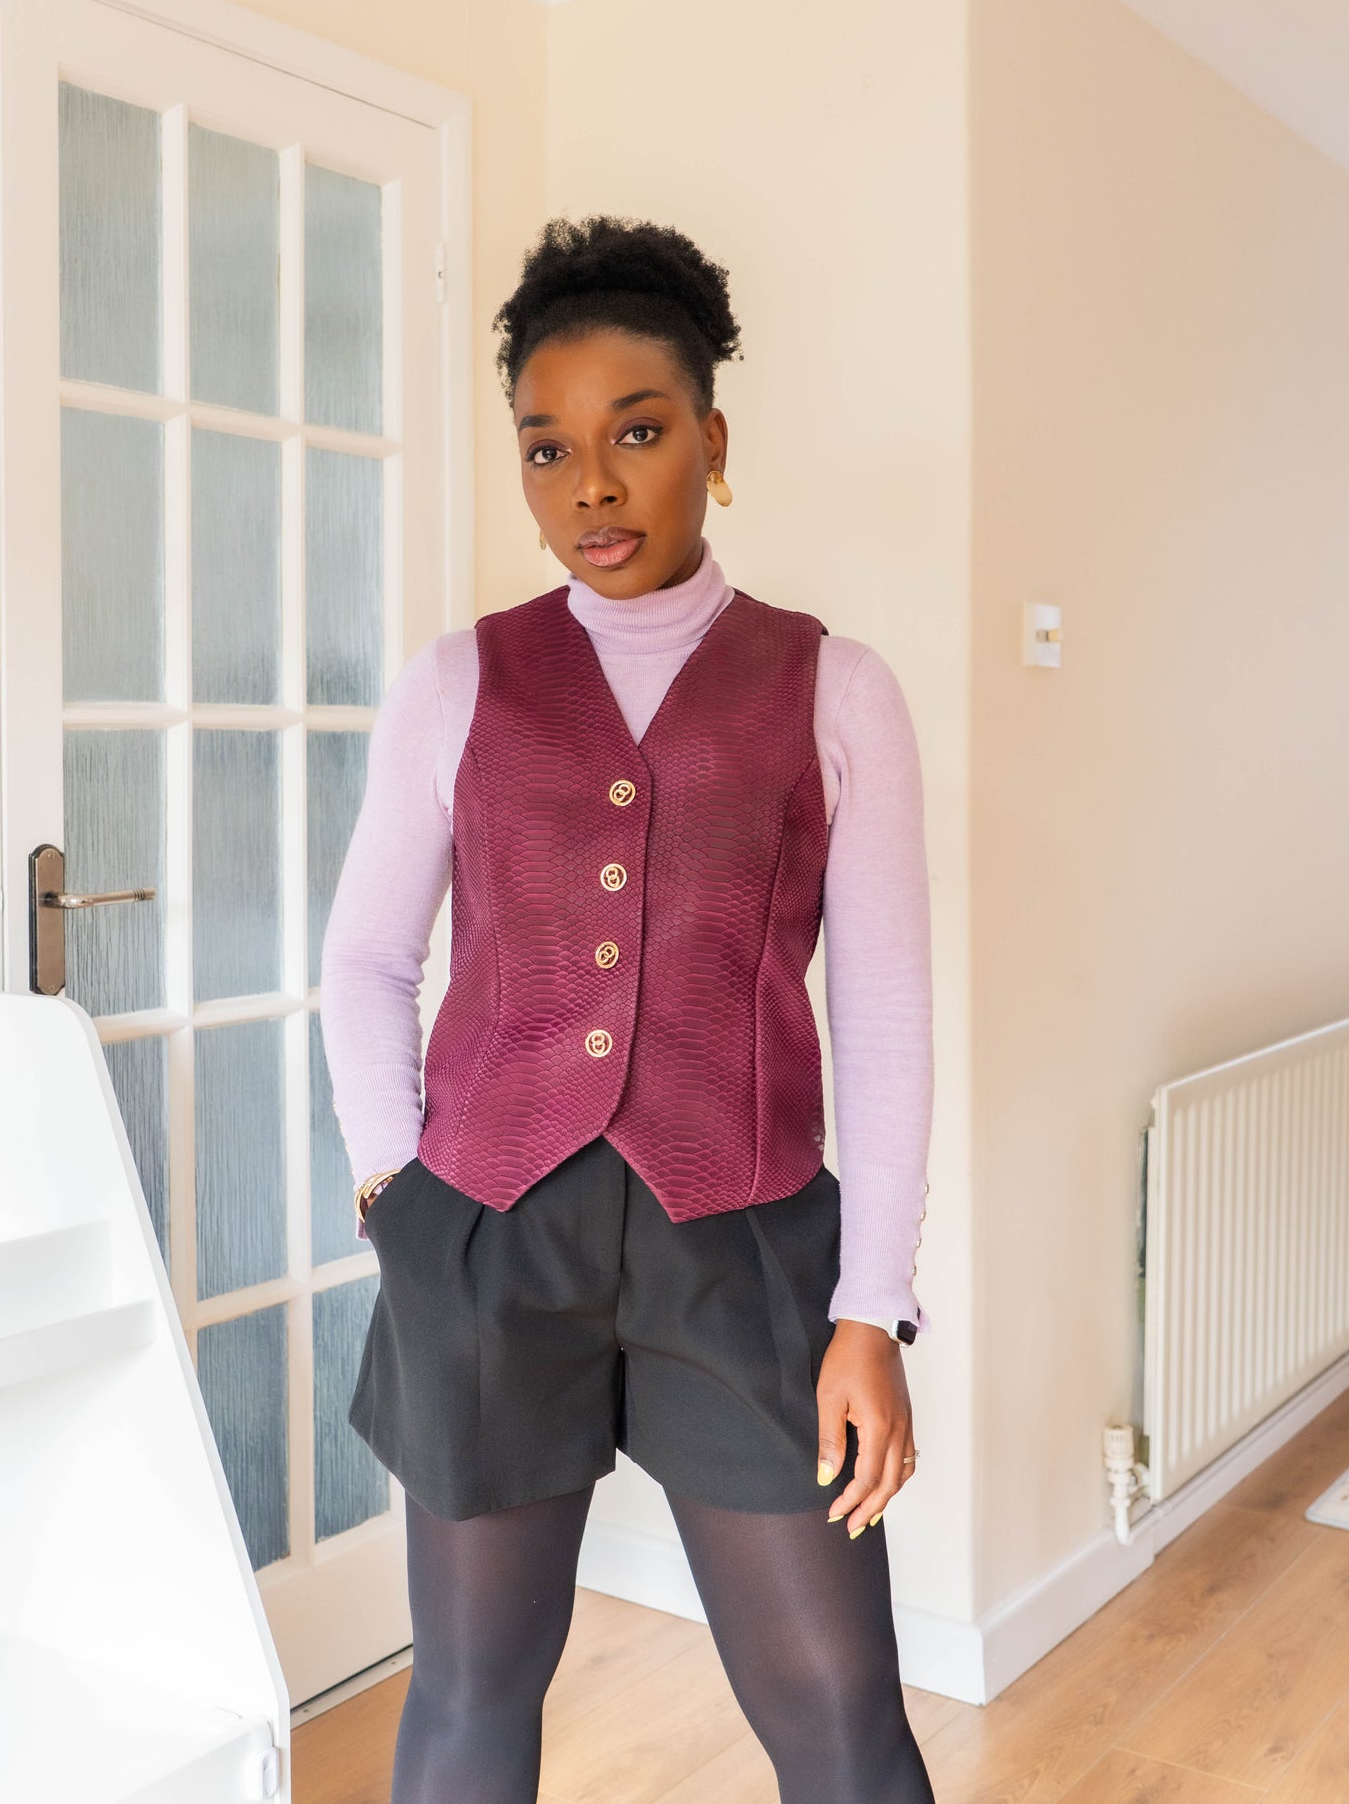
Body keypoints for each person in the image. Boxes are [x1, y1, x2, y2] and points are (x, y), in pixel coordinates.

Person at [320, 214, 937, 1804]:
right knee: (469, 1692)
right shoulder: (456, 682)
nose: (590, 486)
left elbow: (882, 1014)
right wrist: (395, 1186)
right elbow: (367, 959)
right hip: (485, 1238)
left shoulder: (834, 688)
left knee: (844, 1717)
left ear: (713, 443)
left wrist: (870, 1306)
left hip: (745, 1245)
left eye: (638, 434)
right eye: (548, 449)